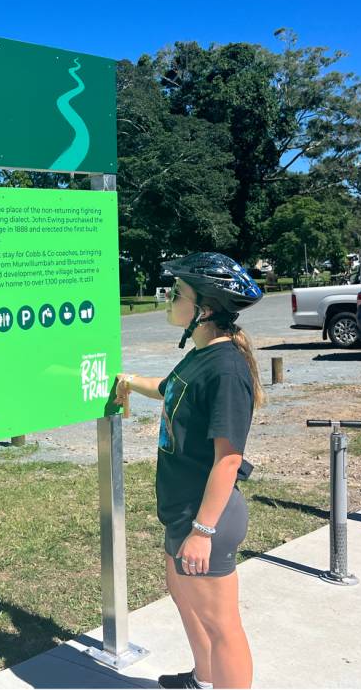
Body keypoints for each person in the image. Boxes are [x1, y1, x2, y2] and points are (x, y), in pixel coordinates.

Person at [116, 253, 265, 689]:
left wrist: (202, 531)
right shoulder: (201, 356)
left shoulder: (226, 369)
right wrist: (127, 380)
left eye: (177, 293)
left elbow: (229, 459)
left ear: (203, 310)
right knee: (186, 602)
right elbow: (167, 390)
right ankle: (202, 679)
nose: (168, 298)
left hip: (207, 517)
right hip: (182, 509)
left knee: (222, 626)